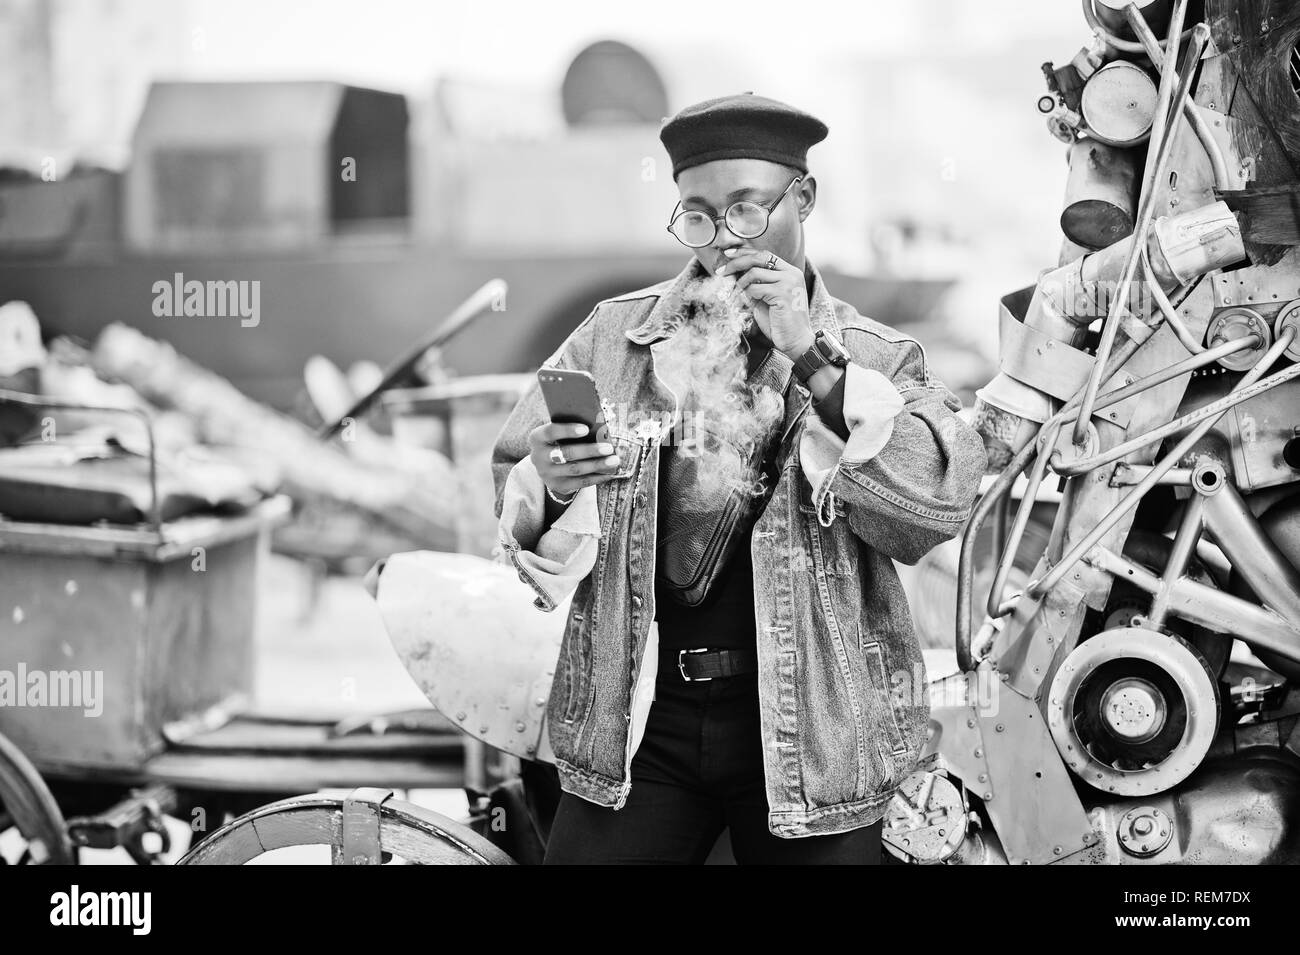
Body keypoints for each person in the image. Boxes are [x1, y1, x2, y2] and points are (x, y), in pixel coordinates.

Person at [489, 92, 987, 864]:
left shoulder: (879, 356)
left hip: (822, 732)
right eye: (698, 215)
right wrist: (550, 484)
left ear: (805, 198)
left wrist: (812, 359)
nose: (724, 242)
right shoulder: (615, 339)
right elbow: (512, 490)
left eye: (748, 212)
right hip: (641, 726)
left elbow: (932, 511)